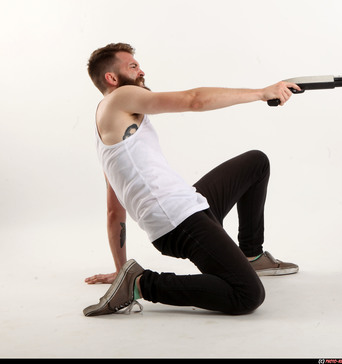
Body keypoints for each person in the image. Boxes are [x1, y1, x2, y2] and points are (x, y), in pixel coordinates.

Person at [83, 43, 299, 317]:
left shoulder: (111, 131)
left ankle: (251, 255)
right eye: (133, 67)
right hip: (176, 222)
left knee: (255, 163)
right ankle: (141, 284)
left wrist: (119, 269)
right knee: (247, 295)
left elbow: (115, 210)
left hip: (188, 204)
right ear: (111, 79)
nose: (141, 71)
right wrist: (260, 93)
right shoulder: (118, 98)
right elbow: (193, 100)